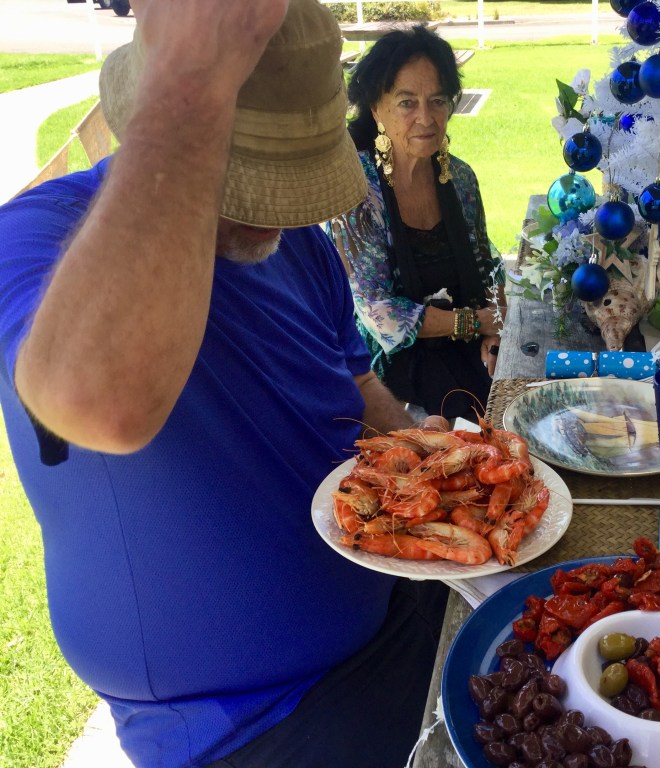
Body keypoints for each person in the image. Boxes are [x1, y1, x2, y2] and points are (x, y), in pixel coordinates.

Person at [0, 2, 450, 766]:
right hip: (249, 724)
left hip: (393, 600)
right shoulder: (34, 234)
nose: (279, 211)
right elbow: (100, 403)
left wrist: (425, 446)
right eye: (246, 181)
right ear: (160, 122)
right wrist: (190, 85)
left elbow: (353, 382)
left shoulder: (296, 242)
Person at [330, 26, 505, 422]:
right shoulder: (356, 192)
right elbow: (380, 313)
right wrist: (476, 322)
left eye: (437, 101)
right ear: (377, 109)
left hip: (465, 343)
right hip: (389, 364)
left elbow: (489, 268)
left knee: (519, 391)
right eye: (407, 102)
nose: (425, 118)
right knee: (469, 421)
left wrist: (495, 332)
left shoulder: (461, 179)